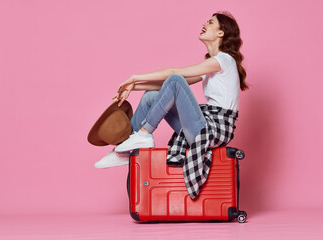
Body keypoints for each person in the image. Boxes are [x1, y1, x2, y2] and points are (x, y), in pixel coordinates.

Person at [94, 11, 249, 170]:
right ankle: (123, 149)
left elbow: (174, 76)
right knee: (152, 96)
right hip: (201, 127)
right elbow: (167, 86)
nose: (204, 24)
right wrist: (134, 87)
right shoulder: (212, 64)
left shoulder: (223, 60)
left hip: (214, 130)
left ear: (220, 33)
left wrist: (135, 77)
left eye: (210, 22)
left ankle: (144, 134)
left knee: (176, 79)